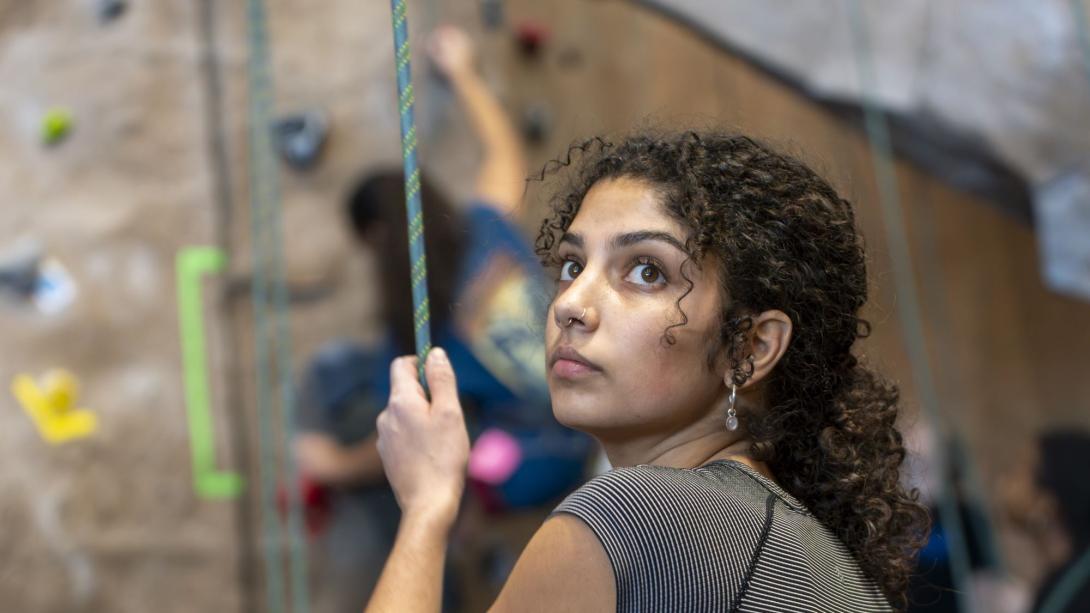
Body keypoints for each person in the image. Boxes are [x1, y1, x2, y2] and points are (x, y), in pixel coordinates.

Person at [366, 131, 932, 612]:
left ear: (750, 348)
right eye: (572, 265)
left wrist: (426, 508)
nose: (569, 305)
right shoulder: (800, 544)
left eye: (646, 272)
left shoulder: (639, 517)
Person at [294, 26, 589, 611]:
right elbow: (504, 153)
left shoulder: (410, 337)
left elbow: (402, 438)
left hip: (548, 459)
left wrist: (332, 467)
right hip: (592, 404)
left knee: (355, 388)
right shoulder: (487, 227)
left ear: (373, 244)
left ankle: (477, 520)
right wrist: (463, 72)